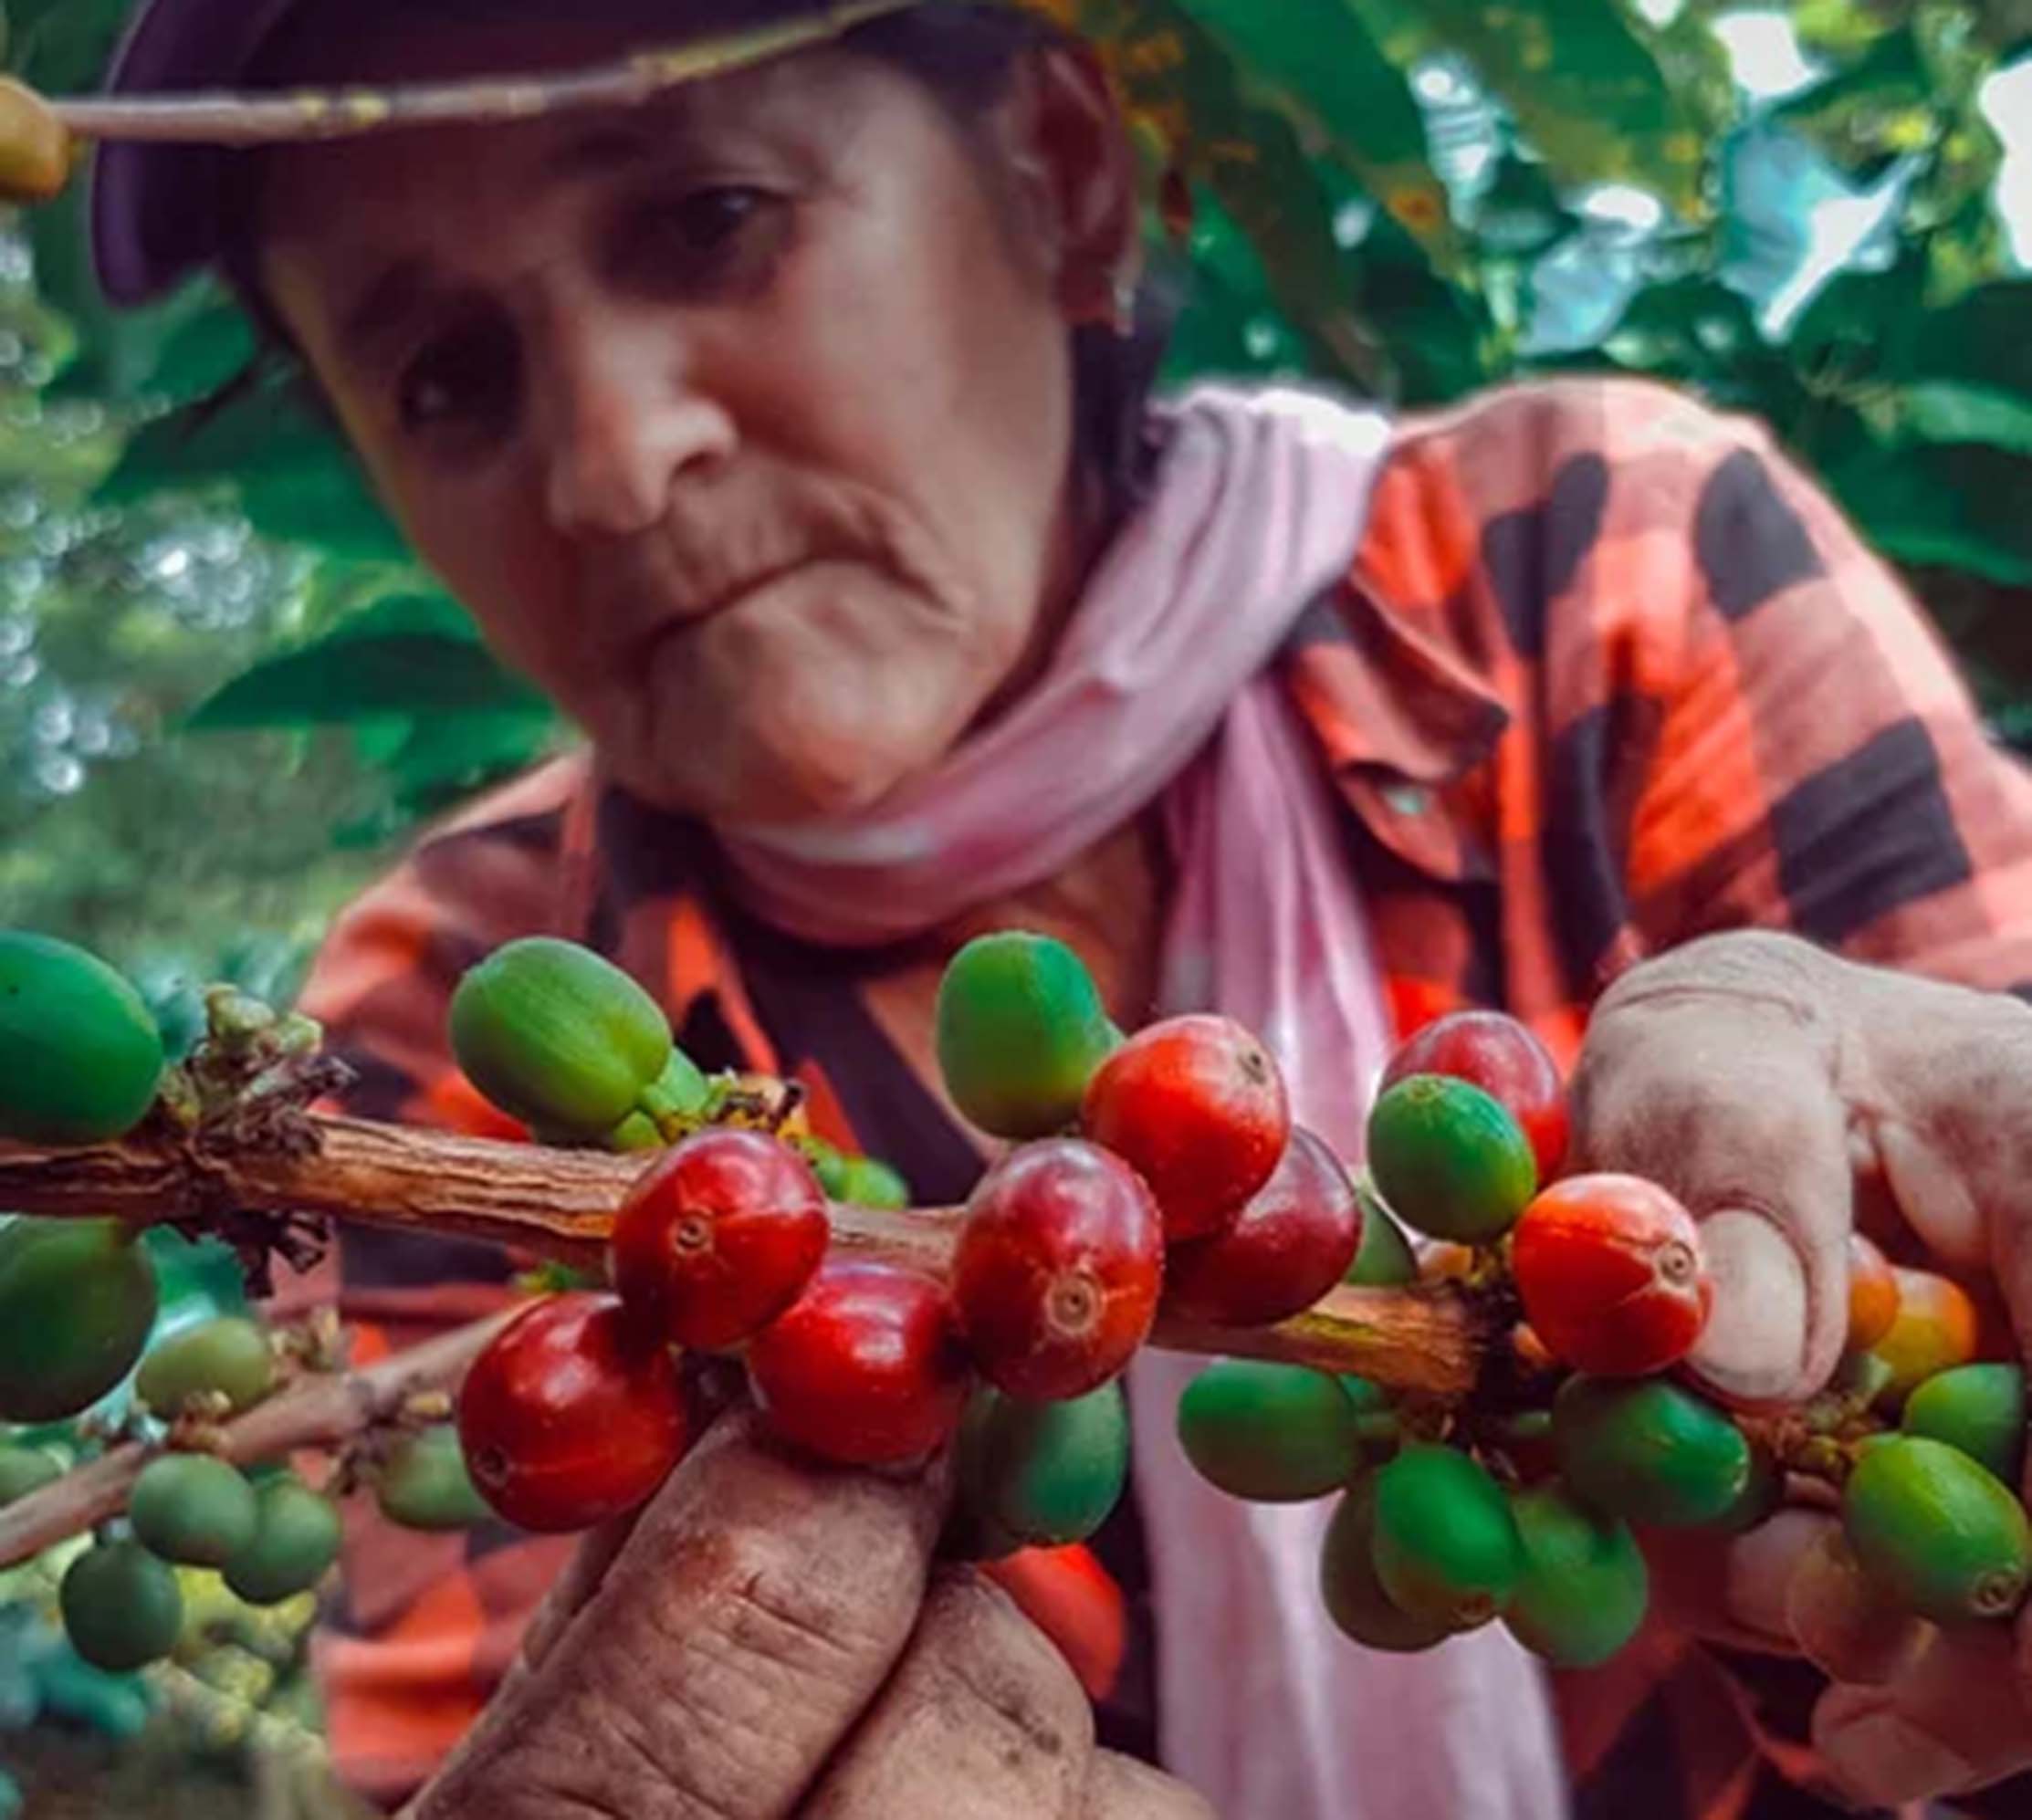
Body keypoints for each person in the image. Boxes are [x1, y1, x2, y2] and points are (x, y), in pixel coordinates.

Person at [86, 1, 2032, 1815]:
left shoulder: (1594, 568)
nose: (612, 463)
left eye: (711, 218)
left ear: (1059, 179)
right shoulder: (440, 1012)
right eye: (444, 376)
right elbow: (495, 1679)